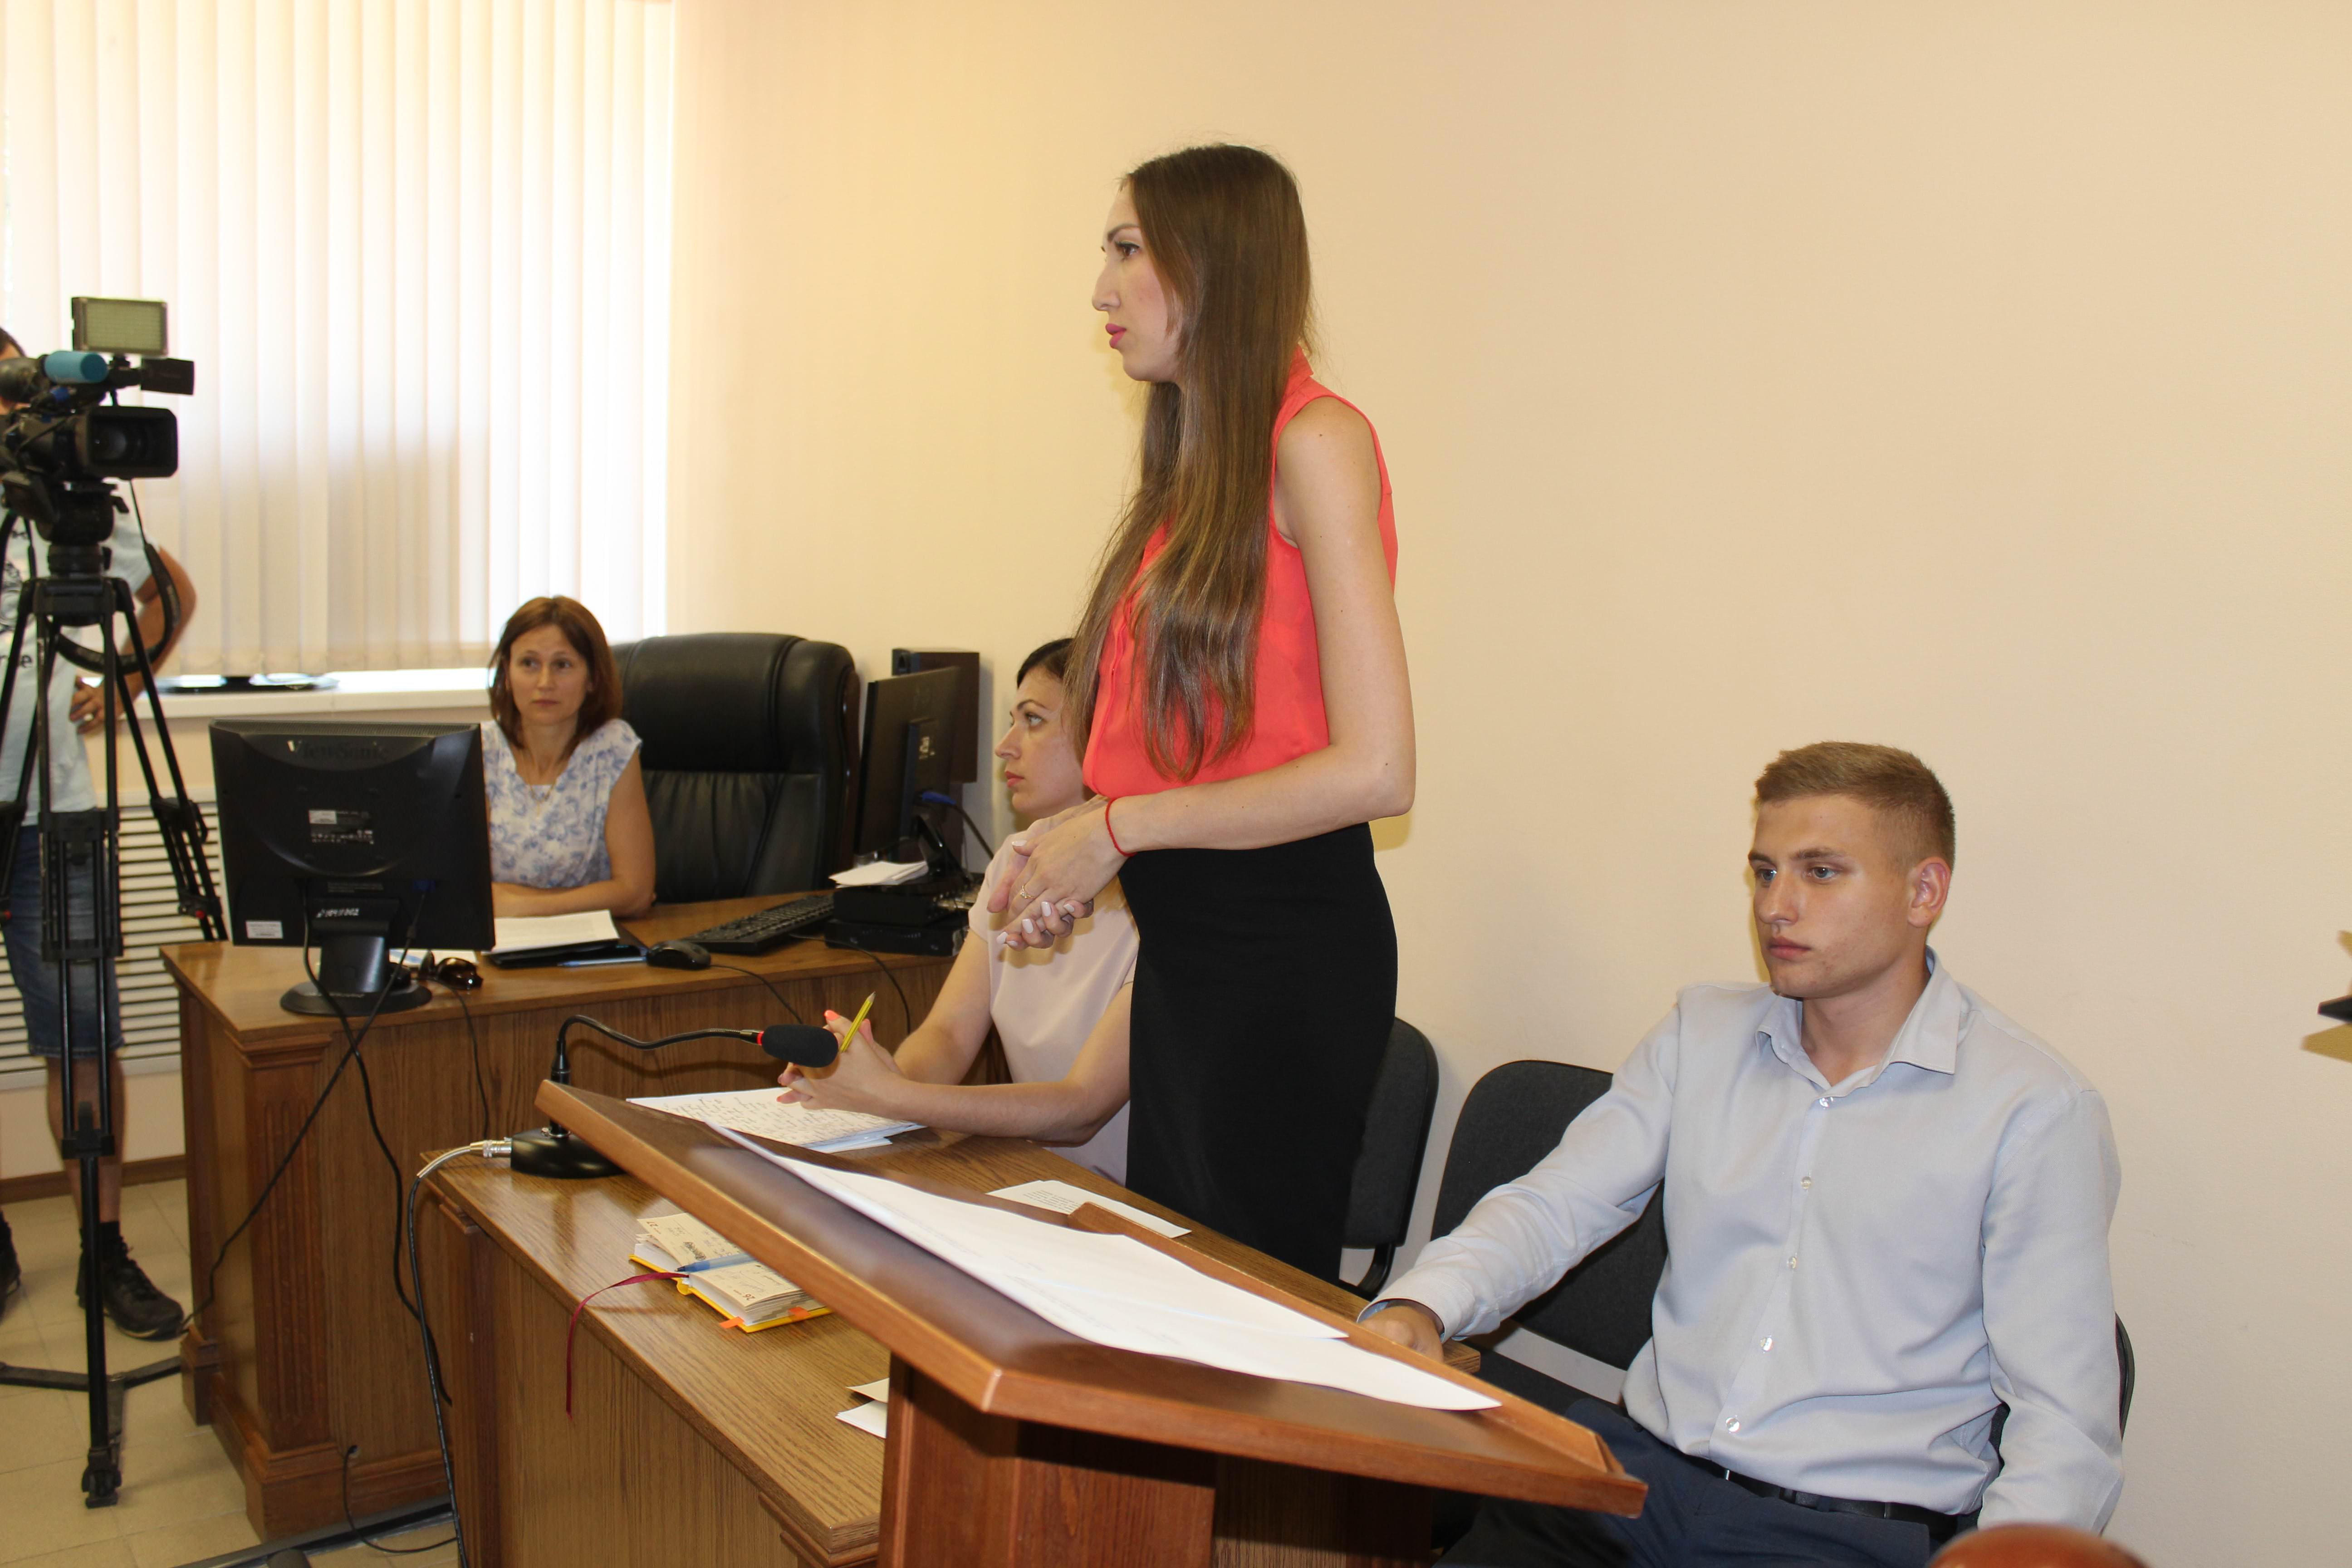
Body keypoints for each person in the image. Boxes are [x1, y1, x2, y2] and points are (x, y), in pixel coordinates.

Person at [1362, 744, 2125, 1568]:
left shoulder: (2032, 1109)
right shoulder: (1702, 1034)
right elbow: (1556, 1205)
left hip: (1843, 1534)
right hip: (1632, 1481)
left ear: (1923, 891)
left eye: (1820, 873)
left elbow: (2062, 1420)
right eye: (1764, 873)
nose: (1776, 907)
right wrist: (1420, 1307)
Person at [991, 144, 1413, 1279]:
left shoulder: (1315, 441)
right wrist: (1063, 856)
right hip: (1187, 951)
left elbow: (1378, 770)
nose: (1102, 289)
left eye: (1128, 250)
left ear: (1214, 262)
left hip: (1280, 956)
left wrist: (1114, 831)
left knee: (1240, 1317)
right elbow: (1169, 757)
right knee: (1178, 1298)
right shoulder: (1193, 473)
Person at [0, 324, 202, 1336]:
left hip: (58, 813)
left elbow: (171, 592)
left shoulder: (59, 502)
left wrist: (124, 683)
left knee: (83, 1039)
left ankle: (104, 1250)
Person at [778, 638, 1138, 1179]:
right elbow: (947, 1036)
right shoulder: (1014, 863)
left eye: (1033, 720)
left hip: (1134, 1204)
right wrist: (878, 1076)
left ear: (1105, 733)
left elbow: (1079, 1109)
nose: (1005, 747)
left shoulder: (1162, 898)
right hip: (1044, 1182)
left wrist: (890, 1096)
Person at [481, 596, 655, 919]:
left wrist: (521, 906)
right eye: (529, 663)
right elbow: (463, 887)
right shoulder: (481, 750)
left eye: (562, 665)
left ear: (592, 678)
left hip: (587, 941)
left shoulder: (612, 748)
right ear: (506, 671)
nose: (545, 683)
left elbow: (635, 893)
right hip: (499, 943)